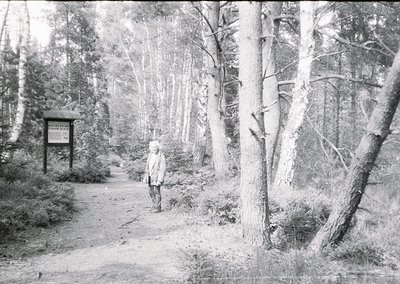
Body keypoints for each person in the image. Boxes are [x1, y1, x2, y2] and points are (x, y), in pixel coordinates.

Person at [143, 141, 167, 213]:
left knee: (157, 191)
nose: (154, 149)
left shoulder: (161, 156)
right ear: (150, 148)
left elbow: (163, 169)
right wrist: (146, 176)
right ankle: (154, 205)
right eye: (152, 147)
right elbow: (147, 167)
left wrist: (160, 179)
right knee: (150, 191)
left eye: (155, 147)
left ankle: (158, 208)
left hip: (157, 177)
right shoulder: (150, 155)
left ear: (158, 148)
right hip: (150, 176)